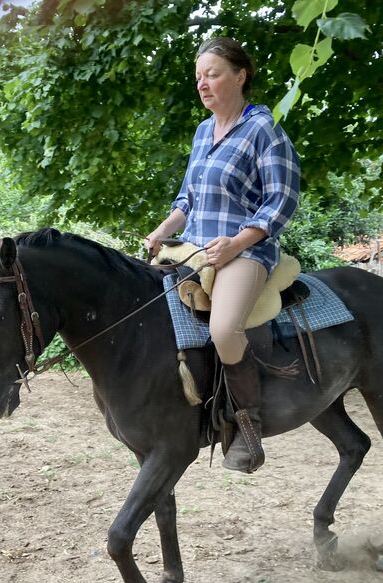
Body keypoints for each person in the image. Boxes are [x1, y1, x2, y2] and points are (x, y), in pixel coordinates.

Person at [145, 36, 300, 473]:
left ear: (240, 75)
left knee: (224, 328)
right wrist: (159, 233)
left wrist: (236, 243)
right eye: (199, 77)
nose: (203, 84)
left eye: (212, 74)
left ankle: (247, 429)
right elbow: (186, 201)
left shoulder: (263, 130)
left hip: (244, 251)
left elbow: (281, 200)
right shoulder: (201, 133)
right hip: (193, 249)